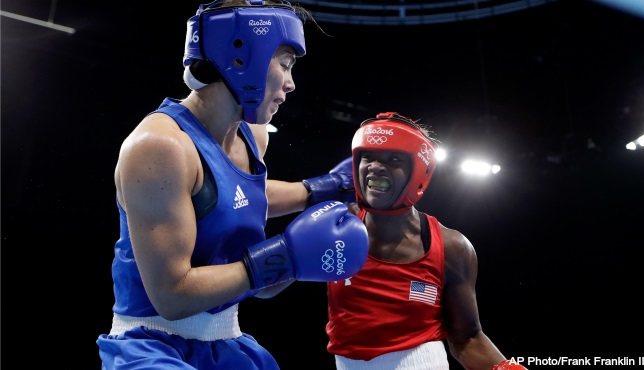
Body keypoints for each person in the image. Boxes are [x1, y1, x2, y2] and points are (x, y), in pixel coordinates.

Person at [96, 1, 368, 369]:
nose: (291, 83)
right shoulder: (160, 147)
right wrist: (285, 256)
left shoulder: (253, 136)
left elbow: (233, 199)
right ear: (243, 58)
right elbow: (172, 297)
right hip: (150, 345)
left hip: (227, 342)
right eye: (285, 64)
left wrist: (324, 189)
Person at [325, 112, 527, 370]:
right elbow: (266, 289)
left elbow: (468, 338)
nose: (375, 166)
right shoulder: (334, 227)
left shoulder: (452, 247)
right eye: (368, 156)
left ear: (419, 170)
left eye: (393, 158)